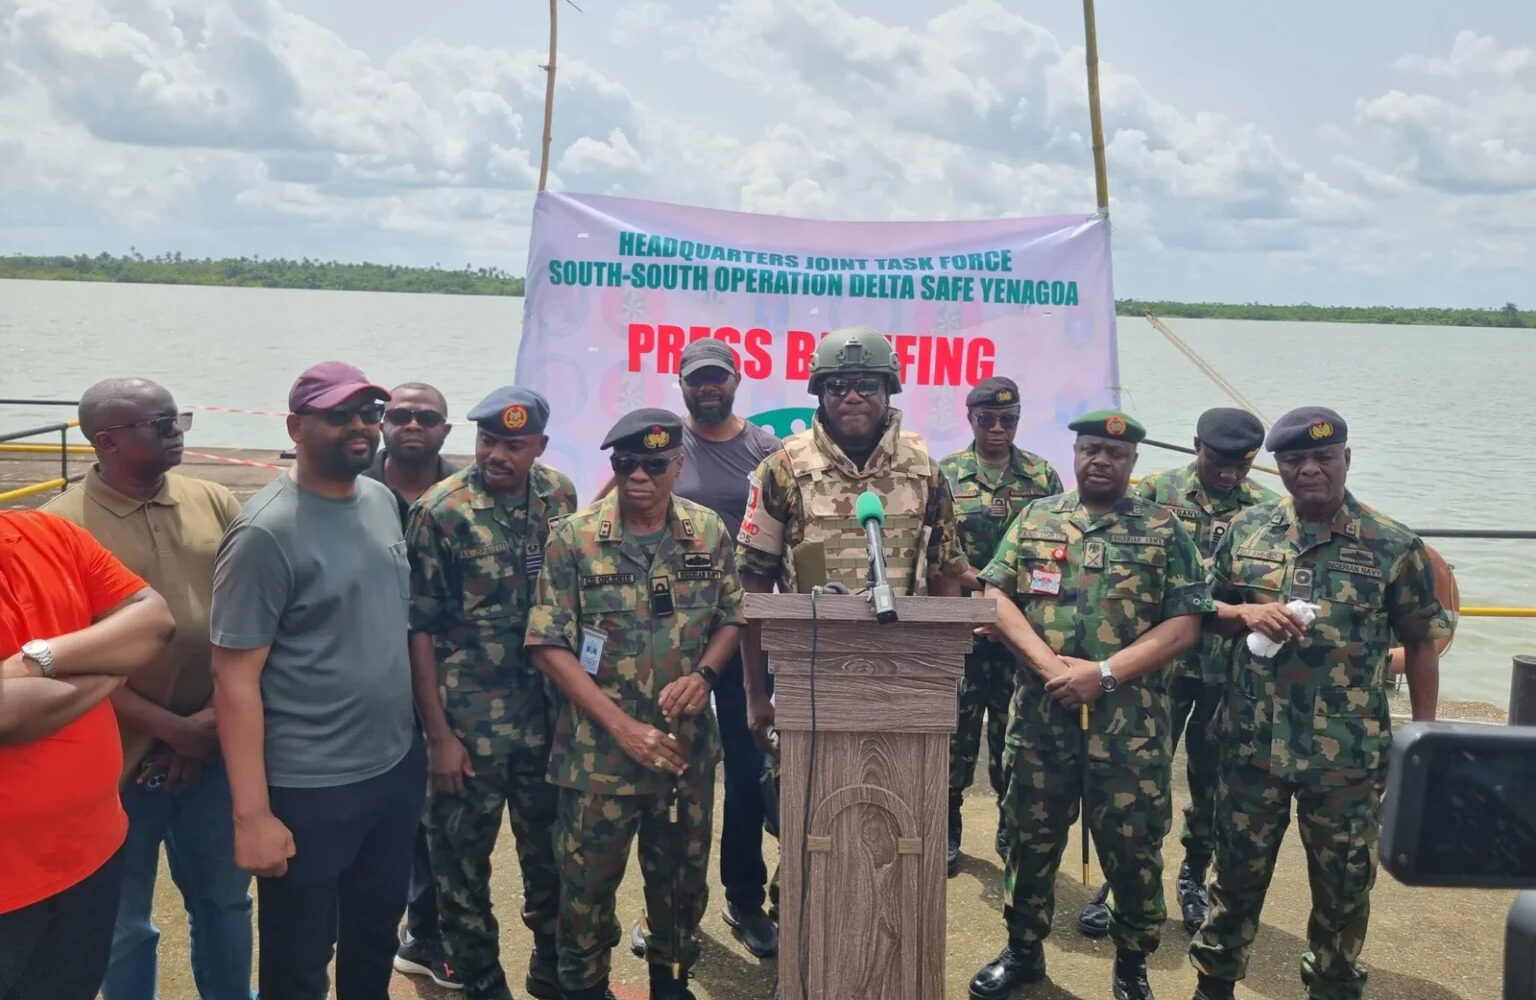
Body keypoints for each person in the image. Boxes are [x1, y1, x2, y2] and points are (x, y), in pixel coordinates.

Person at [735, 325, 970, 999]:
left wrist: (946, 672)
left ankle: (895, 967)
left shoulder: (925, 469)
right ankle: (804, 968)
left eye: (865, 384)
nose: (851, 397)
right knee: (808, 827)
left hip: (908, 688)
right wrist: (758, 694)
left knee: (901, 832)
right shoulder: (782, 467)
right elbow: (752, 588)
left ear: (890, 389)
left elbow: (950, 574)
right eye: (837, 385)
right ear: (819, 393)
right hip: (811, 685)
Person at [1187, 407, 1446, 1000]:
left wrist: (1423, 742)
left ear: (1346, 460)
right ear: (1277, 467)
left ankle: (1333, 985)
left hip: (1348, 759)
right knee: (1235, 876)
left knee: (1344, 888)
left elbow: (1421, 642)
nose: (1309, 470)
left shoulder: (1394, 545)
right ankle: (1215, 981)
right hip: (1253, 746)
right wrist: (1243, 612)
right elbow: (1200, 609)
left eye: (1323, 458)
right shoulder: (1248, 531)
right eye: (1294, 460)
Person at [969, 410, 1209, 1000]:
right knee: (1030, 839)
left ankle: (1131, 966)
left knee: (1134, 850)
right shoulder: (1037, 517)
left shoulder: (1162, 529)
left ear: (1132, 464)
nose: (1101, 460)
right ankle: (1023, 950)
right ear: (1075, 453)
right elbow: (995, 594)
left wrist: (1103, 674)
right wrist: (1050, 667)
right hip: (1041, 719)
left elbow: (1187, 624)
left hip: (1130, 732)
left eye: (1115, 454)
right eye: (1091, 449)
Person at [210, 361, 426, 1000]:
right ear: (296, 426)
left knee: (374, 937)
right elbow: (233, 679)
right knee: (299, 960)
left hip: (391, 768)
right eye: (340, 415)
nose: (360, 427)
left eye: (369, 413)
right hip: (309, 784)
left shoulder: (382, 499)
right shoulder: (264, 532)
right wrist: (252, 815)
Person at [42, 378, 253, 1000]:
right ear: (106, 441)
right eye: (160, 424)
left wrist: (206, 727)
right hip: (114, 761)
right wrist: (171, 731)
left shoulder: (214, 500)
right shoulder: (59, 528)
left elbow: (253, 619)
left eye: (178, 418)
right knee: (124, 922)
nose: (177, 433)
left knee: (225, 903)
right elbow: (59, 665)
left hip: (216, 748)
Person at [527, 407, 745, 1000]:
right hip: (598, 759)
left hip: (683, 755)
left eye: (654, 463)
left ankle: (669, 981)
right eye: (626, 463)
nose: (640, 476)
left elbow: (732, 615)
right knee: (585, 891)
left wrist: (705, 674)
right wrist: (624, 730)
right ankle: (583, 986)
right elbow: (547, 644)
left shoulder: (707, 532)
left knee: (680, 886)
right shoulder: (573, 538)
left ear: (678, 464)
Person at [406, 387, 577, 1000]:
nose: (497, 454)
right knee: (460, 868)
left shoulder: (559, 495)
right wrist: (438, 737)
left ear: (540, 447)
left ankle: (552, 972)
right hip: (467, 725)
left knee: (552, 858)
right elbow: (419, 630)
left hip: (546, 719)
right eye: (487, 441)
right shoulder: (440, 511)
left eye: (514, 443)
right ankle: (480, 980)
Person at [1079, 407, 1273, 938]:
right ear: (1195, 447)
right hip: (1157, 665)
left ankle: (1193, 875)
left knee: (1212, 780)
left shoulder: (1266, 512)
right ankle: (1124, 882)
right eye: (1218, 461)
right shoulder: (1154, 495)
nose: (1229, 474)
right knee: (1139, 776)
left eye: (1240, 465)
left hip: (1227, 671)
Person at [618, 339, 782, 960]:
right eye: (696, 379)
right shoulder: (660, 445)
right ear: (681, 383)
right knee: (659, 774)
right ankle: (663, 909)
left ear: (737, 380)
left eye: (717, 378)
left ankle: (742, 897)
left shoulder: (766, 451)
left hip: (740, 638)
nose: (707, 387)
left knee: (744, 774)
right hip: (661, 641)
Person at [0, 510, 176, 1000]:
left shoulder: (49, 534)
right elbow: (7, 717)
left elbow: (155, 621)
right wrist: (113, 664)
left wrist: (37, 660)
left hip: (91, 855)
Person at [938, 375, 1063, 876]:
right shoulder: (945, 474)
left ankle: (1012, 831)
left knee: (1015, 738)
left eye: (1007, 420)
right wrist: (985, 597)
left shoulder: (1042, 476)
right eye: (986, 419)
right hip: (965, 628)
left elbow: (1057, 547)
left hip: (1019, 630)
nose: (997, 429)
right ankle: (945, 828)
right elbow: (940, 551)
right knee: (954, 736)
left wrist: (1009, 608)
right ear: (970, 419)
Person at [362, 381, 460, 989]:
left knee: (438, 818)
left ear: (447, 430)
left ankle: (425, 931)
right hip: (366, 675)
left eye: (427, 417)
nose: (413, 425)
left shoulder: (465, 496)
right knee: (376, 816)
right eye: (400, 415)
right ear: (382, 424)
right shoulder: (351, 489)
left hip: (451, 681)